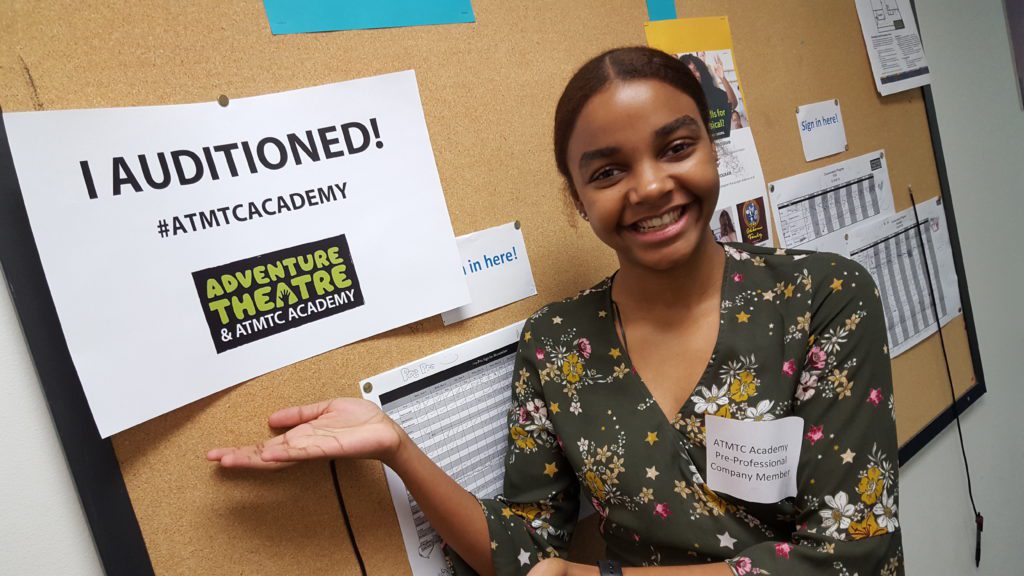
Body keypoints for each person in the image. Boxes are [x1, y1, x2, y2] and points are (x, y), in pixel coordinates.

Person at [208, 47, 903, 576]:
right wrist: (397, 448)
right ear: (577, 199)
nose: (649, 186)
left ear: (712, 150)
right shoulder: (559, 342)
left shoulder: (820, 298)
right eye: (608, 171)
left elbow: (851, 553)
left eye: (675, 147)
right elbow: (527, 548)